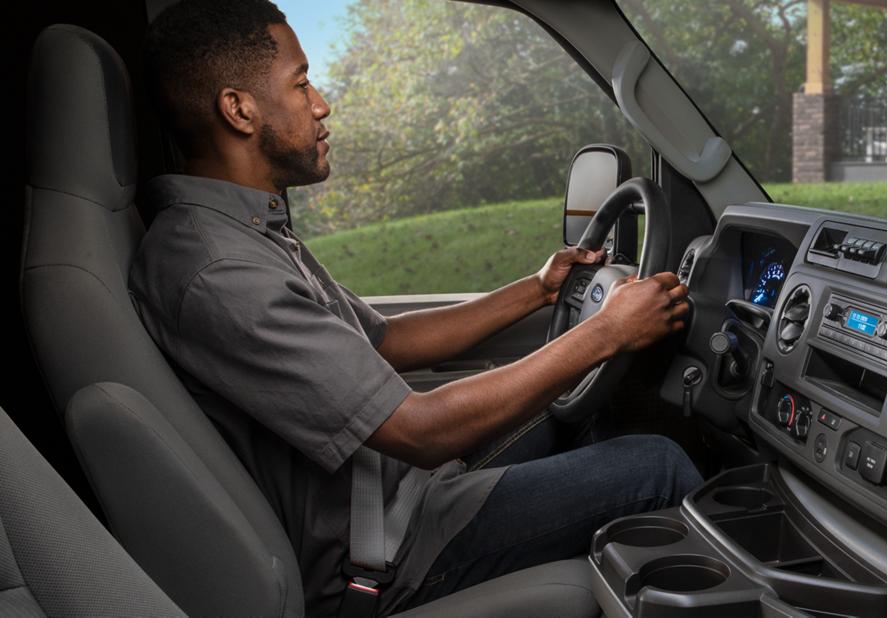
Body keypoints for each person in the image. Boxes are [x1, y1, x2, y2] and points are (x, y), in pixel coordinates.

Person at [127, 1, 704, 615]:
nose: (320, 104)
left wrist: (536, 289)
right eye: (300, 83)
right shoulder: (221, 271)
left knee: (583, 413)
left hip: (393, 495)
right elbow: (421, 432)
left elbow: (384, 342)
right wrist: (608, 331)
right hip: (384, 552)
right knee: (658, 468)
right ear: (238, 109)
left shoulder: (247, 233)